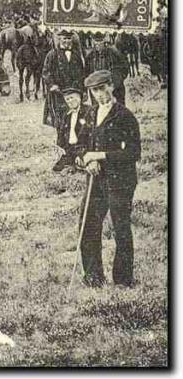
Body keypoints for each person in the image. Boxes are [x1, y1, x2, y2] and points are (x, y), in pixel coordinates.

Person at [75, 70, 141, 287]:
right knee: (88, 225)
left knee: (120, 227)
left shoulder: (125, 116)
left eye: (103, 88)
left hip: (120, 180)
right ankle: (94, 277)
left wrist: (101, 155)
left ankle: (123, 280)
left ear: (112, 86)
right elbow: (81, 145)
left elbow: (133, 153)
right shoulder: (90, 114)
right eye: (95, 91)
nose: (100, 94)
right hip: (96, 179)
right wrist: (87, 159)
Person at [42, 29, 87, 163]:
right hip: (59, 96)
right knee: (62, 125)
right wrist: (52, 84)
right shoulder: (52, 55)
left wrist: (82, 90)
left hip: (75, 94)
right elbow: (46, 72)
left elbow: (82, 73)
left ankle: (77, 156)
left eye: (69, 39)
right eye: (64, 39)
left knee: (77, 123)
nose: (67, 42)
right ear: (59, 40)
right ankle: (63, 157)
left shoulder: (77, 55)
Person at [52, 87, 92, 171]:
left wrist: (81, 154)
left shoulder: (89, 111)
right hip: (70, 149)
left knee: (84, 164)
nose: (69, 101)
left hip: (83, 148)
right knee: (57, 168)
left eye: (72, 98)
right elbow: (61, 134)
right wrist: (60, 148)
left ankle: (79, 163)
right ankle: (73, 163)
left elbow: (91, 136)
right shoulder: (66, 115)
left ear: (79, 98)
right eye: (67, 99)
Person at [85, 34, 129, 105]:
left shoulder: (114, 53)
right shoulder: (90, 57)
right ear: (92, 41)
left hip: (114, 89)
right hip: (97, 89)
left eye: (100, 41)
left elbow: (124, 69)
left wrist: (115, 83)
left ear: (104, 40)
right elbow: (87, 73)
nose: (98, 44)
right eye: (96, 41)